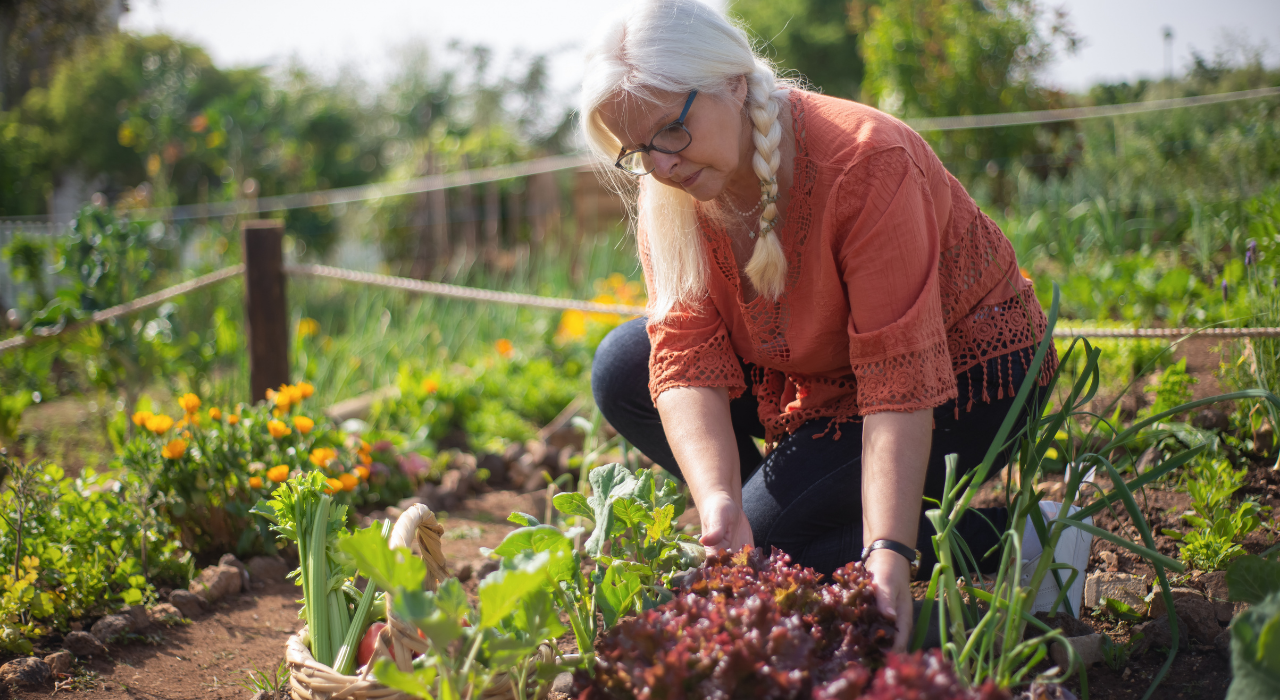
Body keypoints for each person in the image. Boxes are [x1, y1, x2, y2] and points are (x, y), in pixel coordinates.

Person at [582, 0, 1063, 650]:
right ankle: (788, 517)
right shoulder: (673, 189)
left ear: (729, 80)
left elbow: (899, 380)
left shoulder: (867, 162)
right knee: (622, 368)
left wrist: (889, 550)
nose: (661, 166)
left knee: (777, 547)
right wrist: (719, 499)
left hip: (965, 379)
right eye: (637, 151)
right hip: (817, 374)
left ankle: (1030, 536)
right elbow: (685, 352)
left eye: (670, 131)